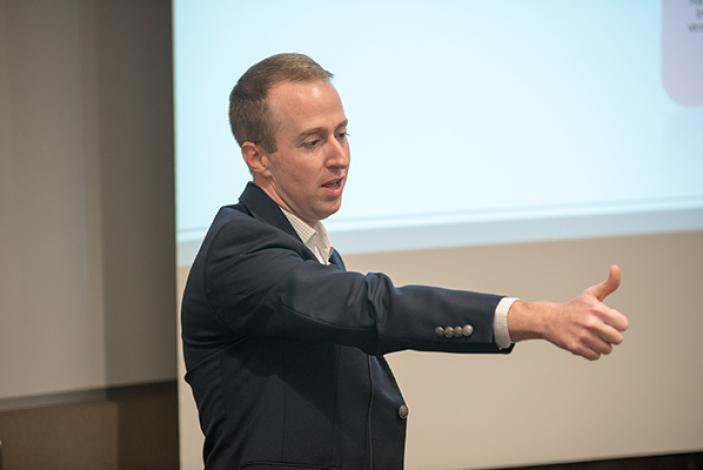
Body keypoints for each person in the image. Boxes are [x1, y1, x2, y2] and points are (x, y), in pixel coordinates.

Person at [181, 53, 629, 470]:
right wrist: (537, 317)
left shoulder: (309, 244)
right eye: (313, 141)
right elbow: (373, 308)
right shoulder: (239, 249)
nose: (339, 157)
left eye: (342, 133)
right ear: (256, 157)